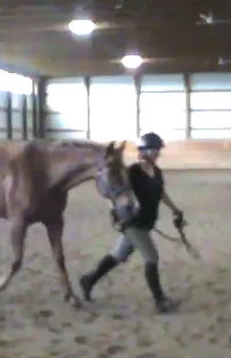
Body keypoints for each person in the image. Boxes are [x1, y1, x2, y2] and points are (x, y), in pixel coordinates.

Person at [79, 132, 184, 314]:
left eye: (158, 150)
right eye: (155, 150)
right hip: (132, 222)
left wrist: (175, 209)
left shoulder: (157, 172)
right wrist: (113, 210)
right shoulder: (132, 172)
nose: (158, 153)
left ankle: (89, 280)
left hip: (146, 222)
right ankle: (160, 301)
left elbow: (161, 193)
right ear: (145, 151)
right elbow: (113, 189)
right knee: (151, 257)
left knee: (117, 256)